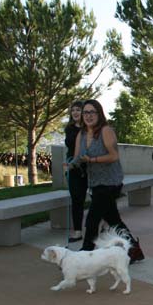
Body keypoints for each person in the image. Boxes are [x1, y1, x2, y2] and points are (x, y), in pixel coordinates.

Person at [74, 99, 144, 263]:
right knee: (113, 219)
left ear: (99, 114)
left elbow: (114, 156)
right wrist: (70, 164)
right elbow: (78, 157)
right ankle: (134, 249)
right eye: (86, 112)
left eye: (92, 112)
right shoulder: (81, 134)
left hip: (111, 182)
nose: (88, 116)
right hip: (96, 183)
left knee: (92, 219)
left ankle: (85, 254)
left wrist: (92, 160)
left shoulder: (106, 130)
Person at [64, 101, 87, 243]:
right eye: (73, 110)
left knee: (99, 196)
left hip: (90, 166)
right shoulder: (70, 129)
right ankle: (78, 231)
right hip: (73, 167)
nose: (76, 113)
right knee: (77, 199)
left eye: (78, 110)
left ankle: (105, 224)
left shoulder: (90, 128)